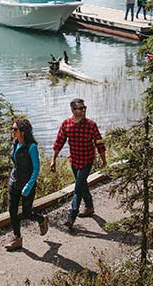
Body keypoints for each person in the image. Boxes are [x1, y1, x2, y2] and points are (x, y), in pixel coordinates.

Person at [51, 98, 107, 230]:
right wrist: (53, 160)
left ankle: (72, 215)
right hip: (74, 161)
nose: (83, 110)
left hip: (87, 161)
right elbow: (59, 142)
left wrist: (104, 160)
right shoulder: (66, 124)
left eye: (84, 108)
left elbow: (99, 143)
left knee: (77, 188)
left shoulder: (91, 125)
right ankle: (89, 207)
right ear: (72, 110)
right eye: (80, 108)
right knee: (82, 185)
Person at [5, 118, 49, 251]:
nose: (12, 131)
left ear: (23, 131)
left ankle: (41, 220)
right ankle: (17, 239)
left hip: (27, 185)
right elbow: (14, 163)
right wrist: (11, 177)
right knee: (12, 211)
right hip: (14, 183)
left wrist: (28, 186)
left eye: (15, 129)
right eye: (12, 129)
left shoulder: (31, 147)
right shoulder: (14, 144)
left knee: (26, 213)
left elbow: (36, 169)